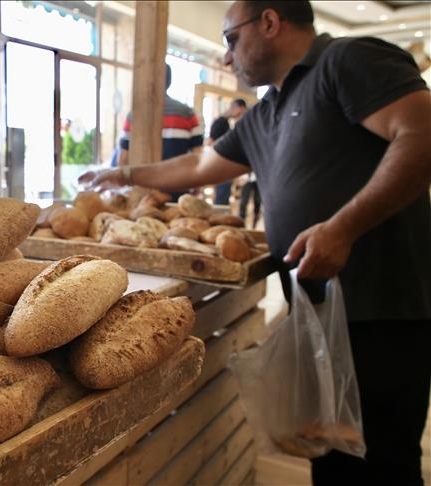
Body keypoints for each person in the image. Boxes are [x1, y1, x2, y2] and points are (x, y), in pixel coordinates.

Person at [79, 2, 431, 485]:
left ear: (269, 22)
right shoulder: (269, 109)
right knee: (331, 456)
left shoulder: (348, 61)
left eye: (230, 38)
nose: (226, 57)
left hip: (383, 311)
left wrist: (343, 228)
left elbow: (421, 133)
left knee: (385, 461)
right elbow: (199, 168)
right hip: (318, 311)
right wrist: (120, 173)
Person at [115, 65, 205, 201]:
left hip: (142, 190)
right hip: (178, 189)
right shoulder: (188, 114)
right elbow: (198, 157)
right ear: (169, 82)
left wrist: (125, 186)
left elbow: (123, 158)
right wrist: (196, 186)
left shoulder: (134, 115)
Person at [207, 98, 248, 205]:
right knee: (222, 198)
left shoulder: (226, 123)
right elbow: (211, 142)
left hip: (224, 165)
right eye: (242, 112)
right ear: (238, 108)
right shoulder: (220, 122)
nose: (241, 115)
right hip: (220, 165)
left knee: (224, 196)